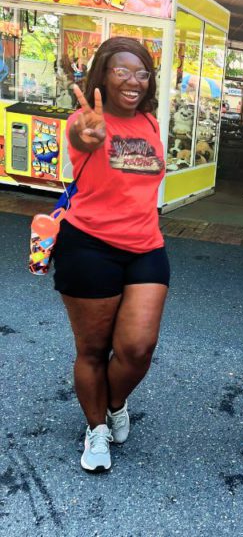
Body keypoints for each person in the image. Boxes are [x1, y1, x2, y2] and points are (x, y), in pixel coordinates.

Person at [52, 37, 168, 472]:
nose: (132, 81)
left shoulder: (152, 124)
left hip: (146, 246)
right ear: (102, 74)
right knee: (93, 350)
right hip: (89, 247)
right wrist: (88, 133)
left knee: (138, 347)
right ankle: (95, 426)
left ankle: (115, 402)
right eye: (121, 71)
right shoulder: (83, 122)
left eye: (141, 72)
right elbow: (83, 137)